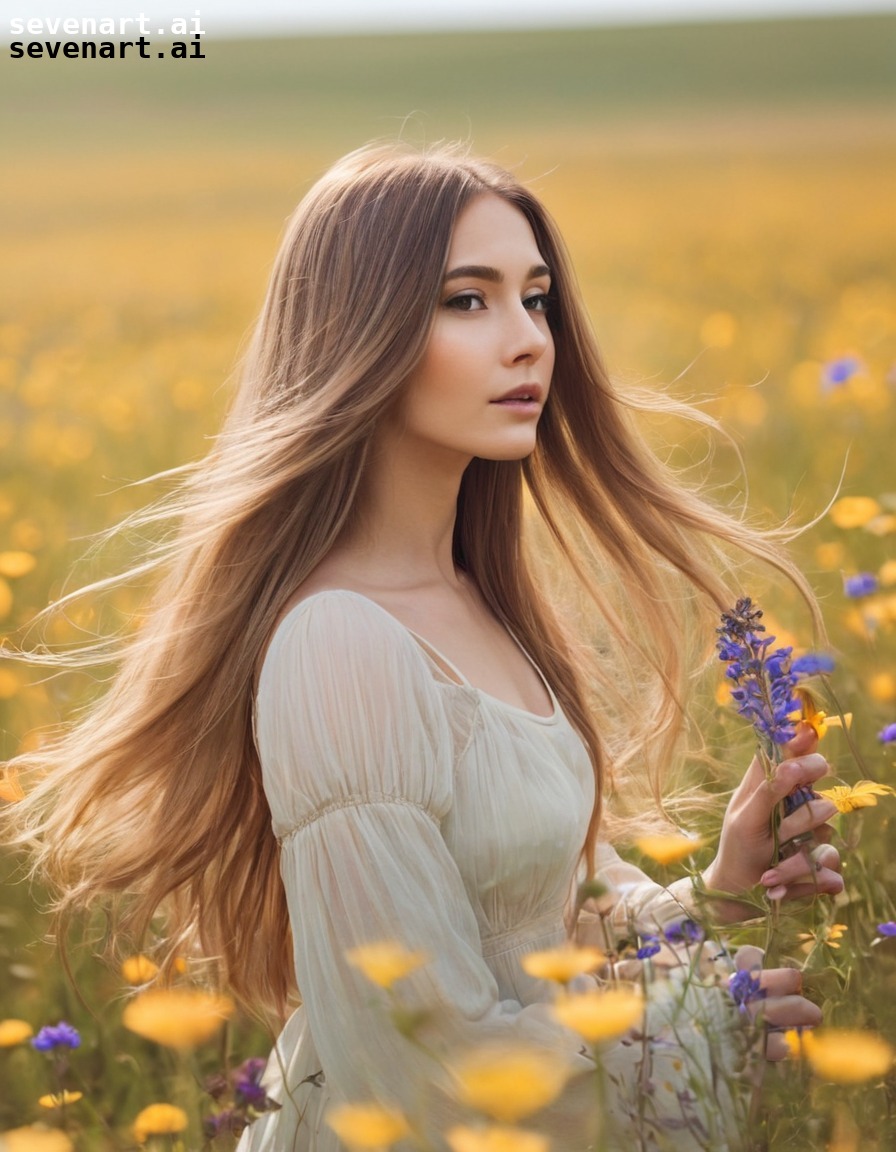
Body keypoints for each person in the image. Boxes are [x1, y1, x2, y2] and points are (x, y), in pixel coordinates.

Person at [2, 143, 843, 1150]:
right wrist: (692, 1030)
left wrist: (713, 896)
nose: (527, 340)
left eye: (535, 300)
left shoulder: (483, 604)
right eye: (466, 300)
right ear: (356, 332)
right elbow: (420, 1068)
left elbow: (526, 933)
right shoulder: (338, 646)